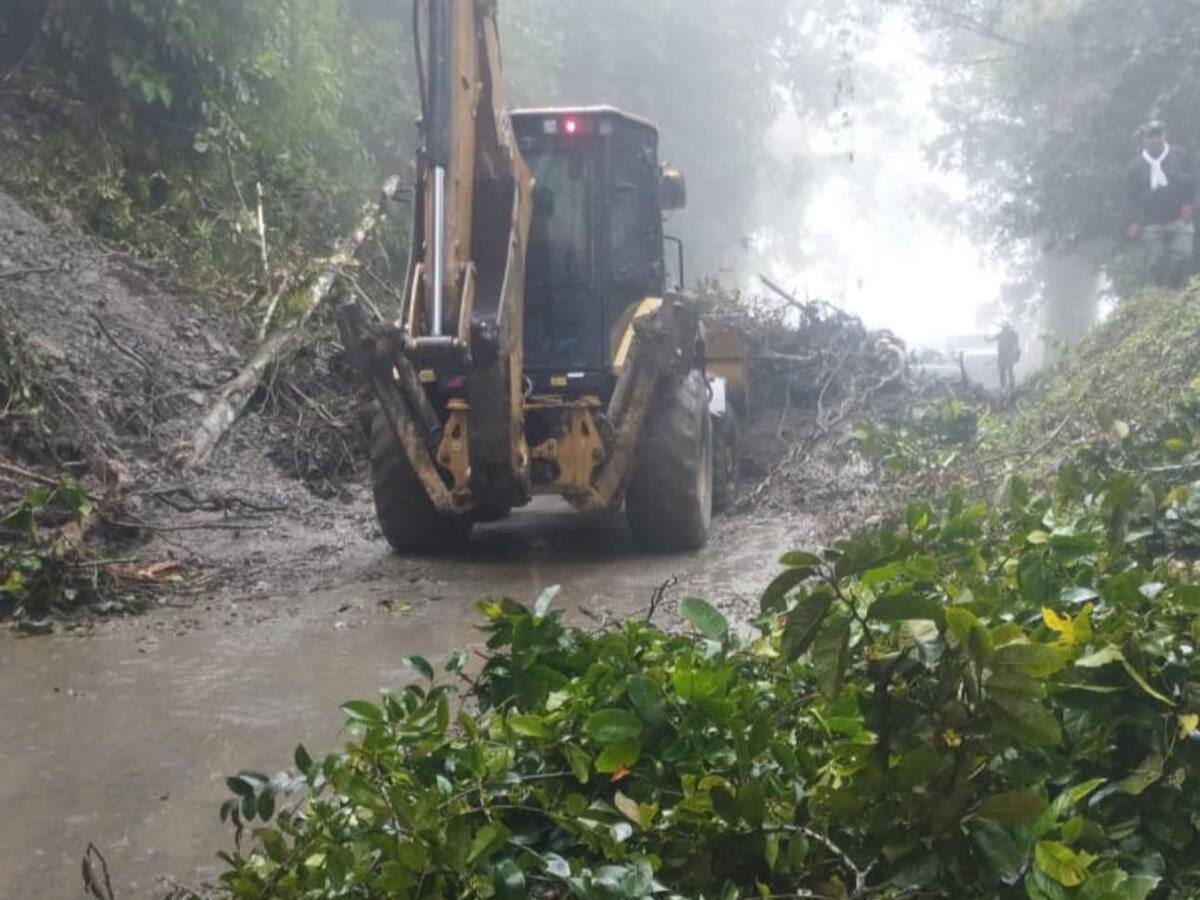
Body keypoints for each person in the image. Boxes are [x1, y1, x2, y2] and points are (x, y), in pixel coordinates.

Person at [1127, 121, 1196, 288]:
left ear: (1165, 135)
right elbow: (1132, 197)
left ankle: (1175, 290)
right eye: (1151, 135)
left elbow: (1194, 181)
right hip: (1151, 223)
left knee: (1183, 256)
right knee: (1155, 262)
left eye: (1159, 134)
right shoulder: (1135, 166)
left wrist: (1189, 203)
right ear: (1144, 139)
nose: (1156, 139)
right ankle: (1159, 292)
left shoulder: (1180, 154)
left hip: (1180, 219)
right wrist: (1133, 221)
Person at [989, 322, 1020, 394]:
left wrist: (1016, 354)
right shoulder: (1002, 334)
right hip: (1003, 355)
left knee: (1009, 371)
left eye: (1005, 328)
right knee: (1004, 371)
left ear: (1008, 328)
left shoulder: (1012, 334)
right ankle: (1004, 386)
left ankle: (1011, 386)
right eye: (1003, 328)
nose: (1004, 329)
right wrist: (987, 339)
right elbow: (992, 338)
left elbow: (1016, 345)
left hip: (1008, 355)